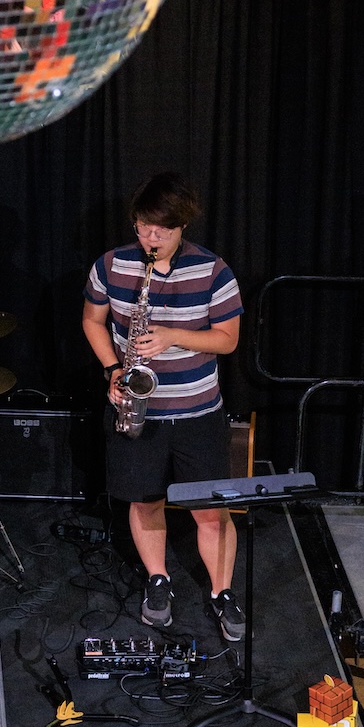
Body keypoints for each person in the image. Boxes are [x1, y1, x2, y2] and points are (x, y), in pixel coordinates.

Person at [81, 172, 246, 643]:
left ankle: (221, 591)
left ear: (182, 227)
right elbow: (92, 320)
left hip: (197, 412)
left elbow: (228, 339)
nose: (151, 239)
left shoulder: (214, 270)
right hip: (138, 409)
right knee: (145, 499)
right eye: (143, 228)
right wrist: (114, 370)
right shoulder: (111, 265)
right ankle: (158, 578)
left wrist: (172, 335)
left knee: (210, 513)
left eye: (163, 231)